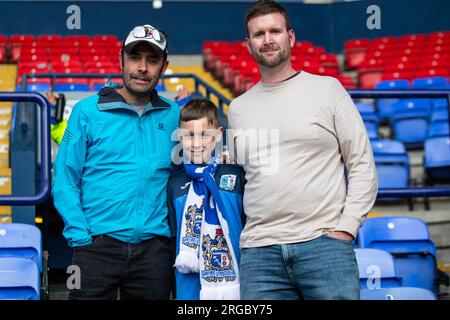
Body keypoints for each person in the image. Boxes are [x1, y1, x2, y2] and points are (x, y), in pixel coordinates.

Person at [227, 0, 378, 300]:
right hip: (260, 253)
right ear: (248, 45)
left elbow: (361, 163)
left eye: (275, 31)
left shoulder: (328, 89)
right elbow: (245, 175)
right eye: (259, 34)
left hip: (323, 246)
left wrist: (347, 228)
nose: (268, 40)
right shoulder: (237, 109)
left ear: (290, 38)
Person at [53, 24, 180, 300]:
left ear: (164, 66)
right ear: (121, 58)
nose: (143, 68)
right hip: (95, 248)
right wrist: (80, 236)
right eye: (135, 58)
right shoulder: (87, 111)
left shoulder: (174, 115)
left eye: (153, 60)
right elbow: (65, 177)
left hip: (154, 251)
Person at [167, 98, 245, 300]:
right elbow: (172, 236)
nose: (196, 143)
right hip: (188, 284)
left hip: (235, 280)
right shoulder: (175, 182)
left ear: (218, 134)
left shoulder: (236, 175)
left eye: (204, 135)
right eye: (188, 135)